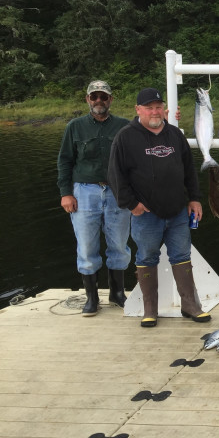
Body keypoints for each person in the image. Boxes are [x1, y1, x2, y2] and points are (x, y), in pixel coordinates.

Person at [108, 87, 210, 328]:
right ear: (138, 110)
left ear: (164, 110)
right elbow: (115, 176)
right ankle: (150, 309)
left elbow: (189, 170)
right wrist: (131, 204)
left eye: (158, 107)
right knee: (146, 257)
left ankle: (191, 305)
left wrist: (194, 198)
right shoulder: (125, 137)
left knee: (182, 256)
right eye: (149, 107)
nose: (154, 112)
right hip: (146, 214)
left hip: (177, 212)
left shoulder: (175, 135)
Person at [57, 80, 131, 316]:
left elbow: (138, 156)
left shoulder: (124, 126)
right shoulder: (75, 126)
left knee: (118, 244)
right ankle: (92, 297)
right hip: (84, 191)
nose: (99, 101)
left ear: (111, 99)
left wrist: (169, 116)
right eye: (94, 97)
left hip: (117, 191)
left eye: (104, 97)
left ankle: (117, 293)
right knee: (87, 246)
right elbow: (65, 161)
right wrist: (65, 193)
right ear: (87, 99)